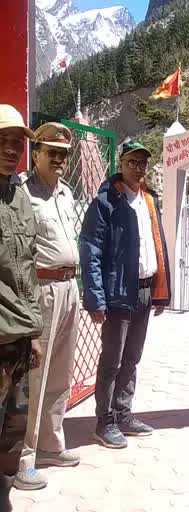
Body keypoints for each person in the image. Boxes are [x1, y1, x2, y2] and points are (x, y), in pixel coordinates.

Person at [80, 139, 171, 449]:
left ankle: (123, 413)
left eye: (143, 163)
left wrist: (161, 291)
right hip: (118, 292)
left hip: (145, 289)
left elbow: (157, 245)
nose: (138, 168)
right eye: (132, 162)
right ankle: (103, 422)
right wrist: (95, 298)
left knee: (132, 358)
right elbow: (90, 251)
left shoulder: (149, 200)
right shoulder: (106, 202)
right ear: (120, 164)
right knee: (112, 361)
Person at [14, 123, 81, 491]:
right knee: (34, 377)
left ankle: (51, 446)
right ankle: (24, 457)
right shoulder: (22, 193)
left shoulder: (66, 193)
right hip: (40, 289)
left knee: (61, 373)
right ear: (35, 152)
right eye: (50, 152)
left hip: (69, 287)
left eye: (63, 154)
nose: (58, 159)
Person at [0, 105, 43, 508]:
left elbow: (27, 269)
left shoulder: (20, 196)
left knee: (14, 425)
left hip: (18, 337)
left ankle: (4, 491)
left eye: (17, 144)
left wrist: (34, 332)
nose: (11, 150)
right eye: (3, 141)